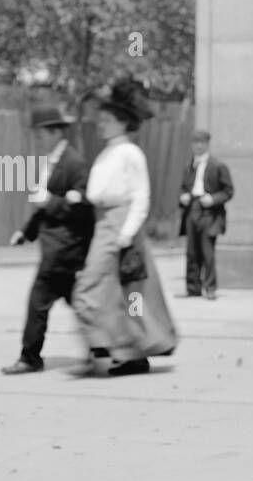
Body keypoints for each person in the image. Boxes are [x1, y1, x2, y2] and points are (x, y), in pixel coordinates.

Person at [71, 79, 178, 376]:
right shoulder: (108, 152)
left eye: (106, 120)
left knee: (92, 288)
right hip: (103, 222)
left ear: (122, 122)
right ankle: (126, 351)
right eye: (100, 119)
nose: (100, 124)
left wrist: (127, 234)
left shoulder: (130, 153)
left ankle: (118, 347)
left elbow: (141, 196)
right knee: (115, 292)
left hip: (118, 224)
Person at [2, 106, 93, 375]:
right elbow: (43, 206)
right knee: (79, 303)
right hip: (56, 247)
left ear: (55, 133)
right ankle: (105, 347)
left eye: (40, 135)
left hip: (65, 248)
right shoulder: (52, 161)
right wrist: (26, 232)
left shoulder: (74, 163)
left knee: (38, 302)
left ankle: (30, 357)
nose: (37, 140)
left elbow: (84, 205)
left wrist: (52, 201)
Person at [177, 129, 234, 300]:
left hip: (210, 212)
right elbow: (183, 188)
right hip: (192, 209)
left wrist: (213, 199)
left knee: (207, 251)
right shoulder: (188, 165)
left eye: (201, 142)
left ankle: (210, 288)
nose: (198, 146)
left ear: (207, 144)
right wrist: (183, 197)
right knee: (191, 251)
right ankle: (192, 287)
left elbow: (228, 191)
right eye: (195, 143)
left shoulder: (218, 165)